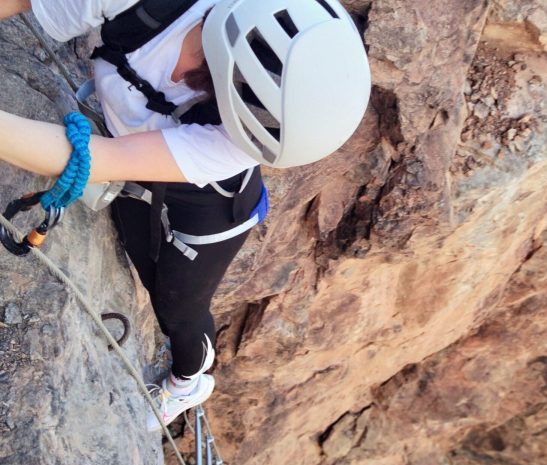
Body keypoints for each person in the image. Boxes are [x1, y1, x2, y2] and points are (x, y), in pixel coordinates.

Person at [0, 0, 370, 431]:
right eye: (207, 66)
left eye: (216, 91)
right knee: (138, 253)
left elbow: (100, 157)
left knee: (176, 309)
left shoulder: (235, 140)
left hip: (212, 212)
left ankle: (189, 379)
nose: (183, 78)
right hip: (151, 173)